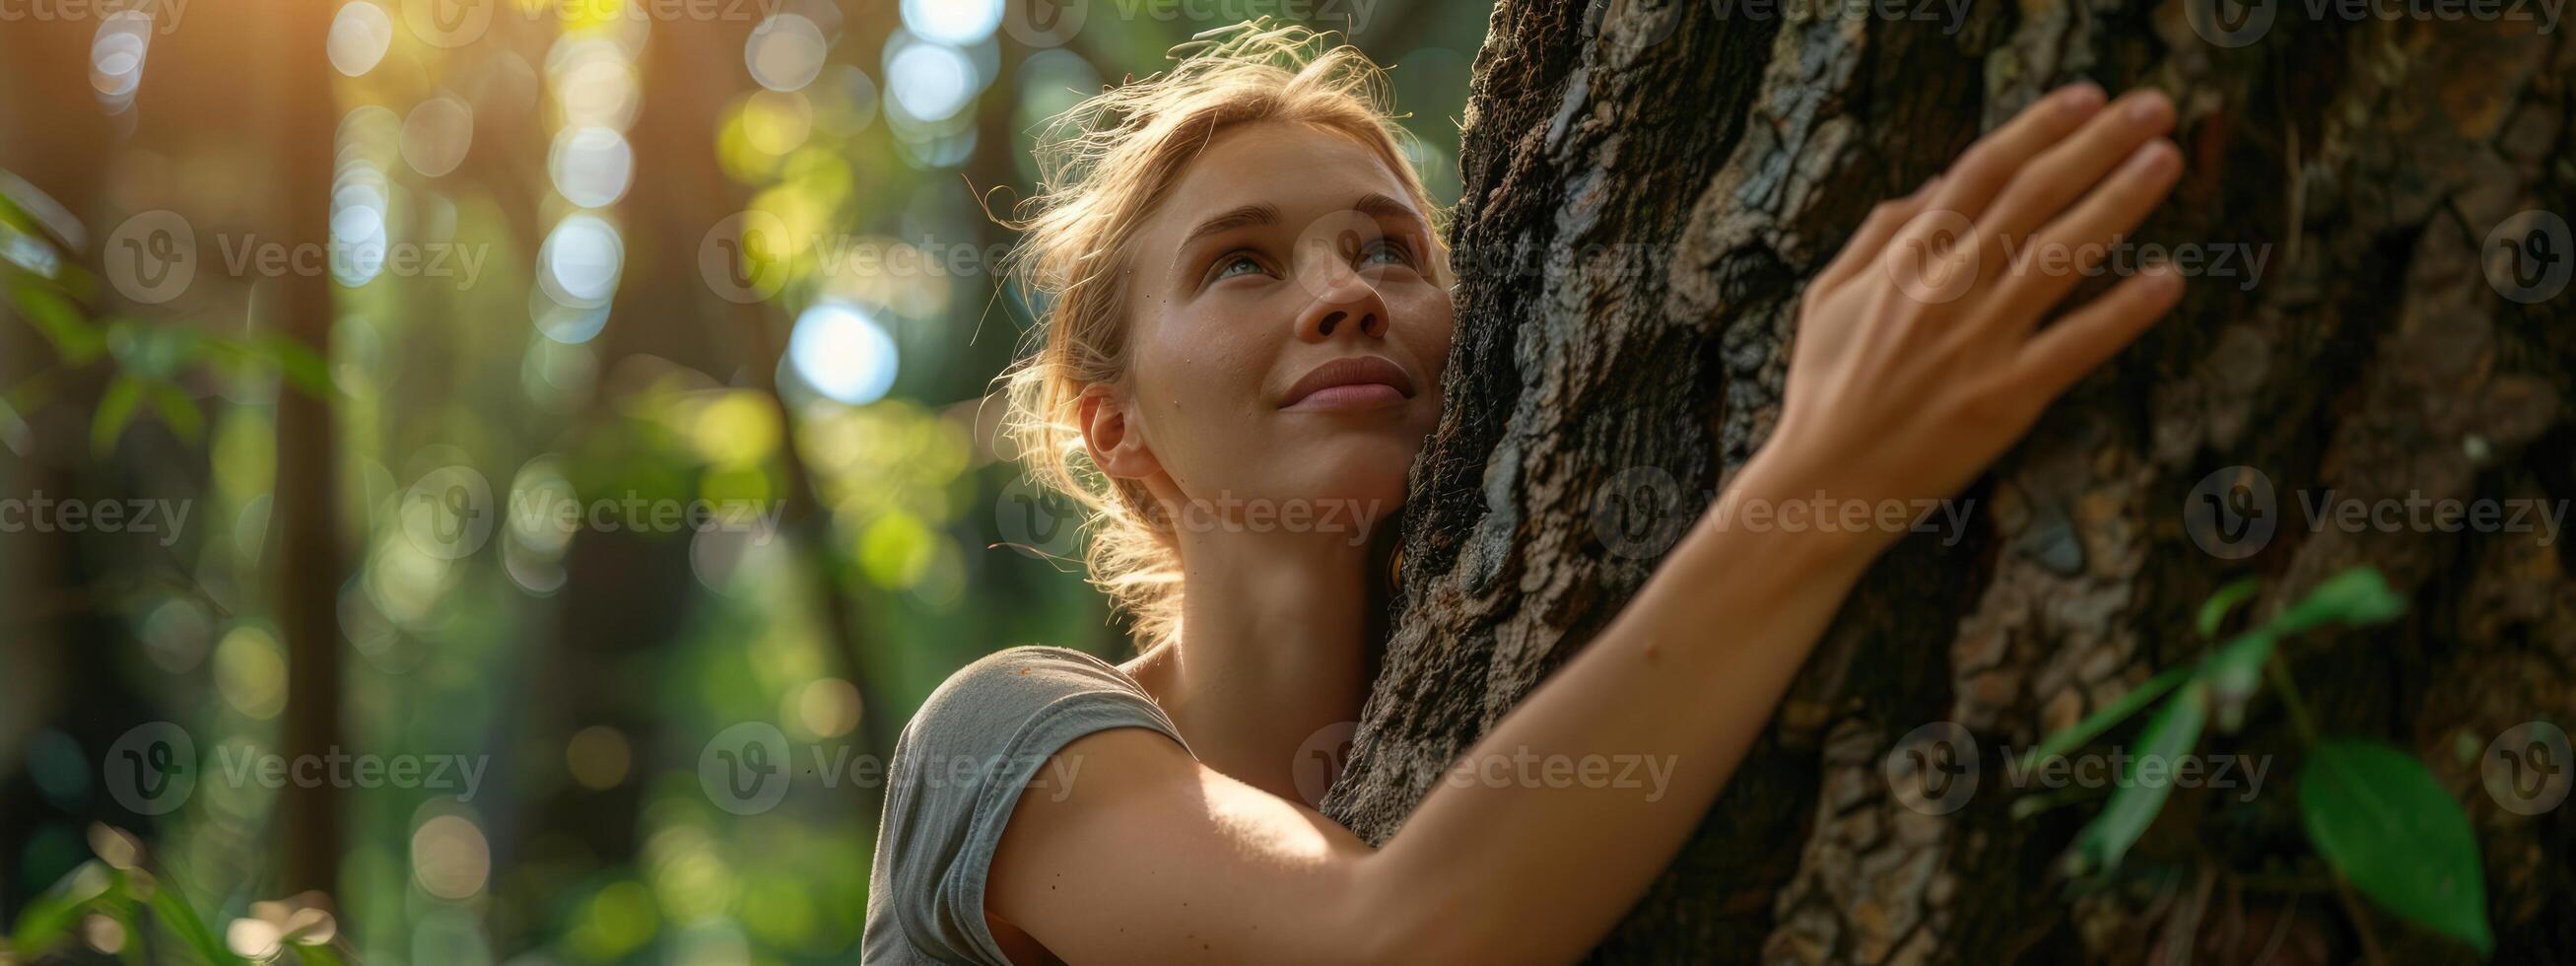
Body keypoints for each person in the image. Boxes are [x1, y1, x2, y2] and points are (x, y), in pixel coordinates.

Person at [863, 22, 2184, 965]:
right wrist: (1831, 477)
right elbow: (1394, 939)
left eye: (1386, 247)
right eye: (1241, 264)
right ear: (1118, 427)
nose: (1345, 293)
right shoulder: (1005, 735)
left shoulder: (1508, 705)